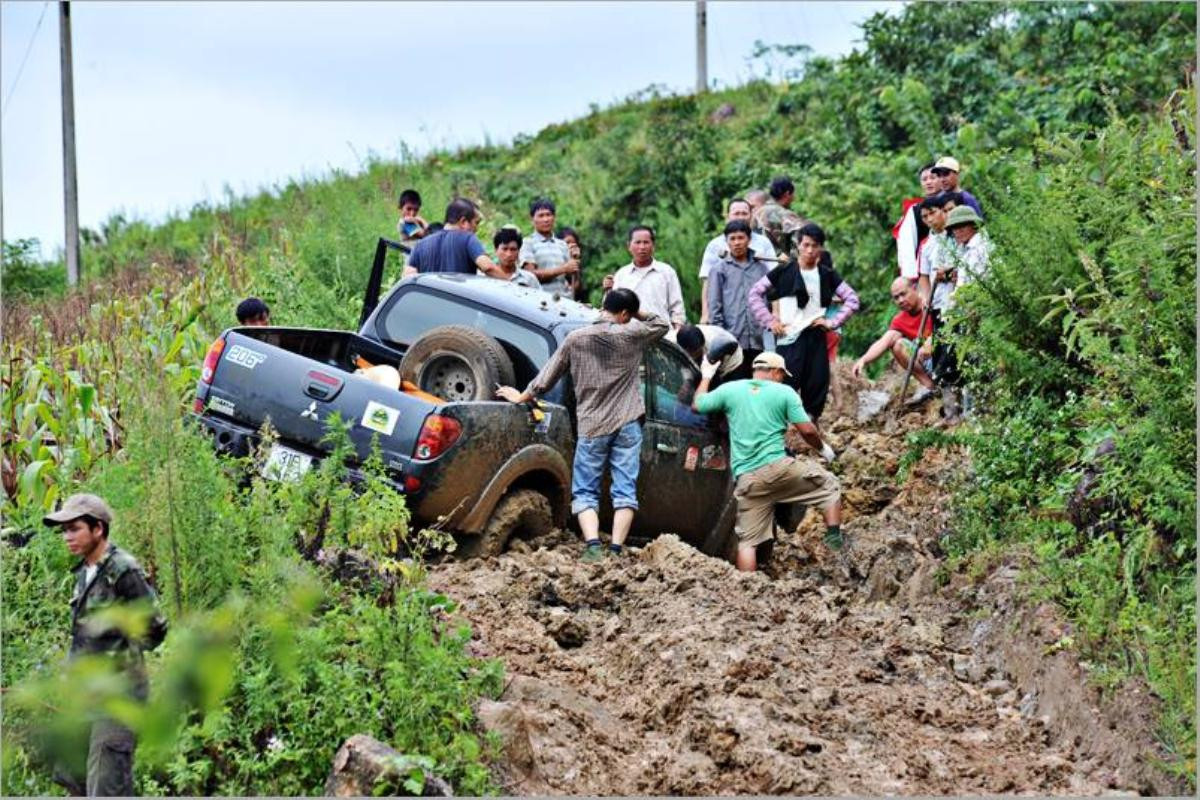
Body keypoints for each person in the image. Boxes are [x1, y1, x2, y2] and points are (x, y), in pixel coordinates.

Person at [496, 288, 667, 561]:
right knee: (625, 489)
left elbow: (545, 378)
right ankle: (616, 548)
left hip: (593, 424)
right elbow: (662, 324)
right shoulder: (633, 335)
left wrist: (522, 396)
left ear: (603, 306)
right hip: (628, 423)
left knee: (586, 489)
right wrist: (637, 312)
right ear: (625, 314)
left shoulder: (576, 339)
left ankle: (593, 547)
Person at [44, 493, 168, 797]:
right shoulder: (85, 572)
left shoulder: (122, 570)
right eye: (65, 530)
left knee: (106, 787)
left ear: (97, 529)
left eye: (74, 529)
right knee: (73, 778)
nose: (67, 537)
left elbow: (155, 628)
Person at [693, 351, 842, 572]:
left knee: (747, 543)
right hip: (778, 468)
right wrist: (824, 449)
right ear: (775, 372)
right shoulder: (784, 392)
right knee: (829, 484)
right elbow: (807, 430)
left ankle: (747, 591)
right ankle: (835, 541)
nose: (783, 379)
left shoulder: (731, 389)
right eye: (782, 375)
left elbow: (698, 404)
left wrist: (706, 375)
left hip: (747, 479)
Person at [748, 223, 859, 423]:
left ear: (821, 248)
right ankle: (782, 433)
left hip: (815, 334)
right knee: (785, 385)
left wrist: (833, 322)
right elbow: (755, 293)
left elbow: (852, 300)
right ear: (798, 245)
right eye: (806, 245)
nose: (809, 250)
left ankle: (810, 430)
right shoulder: (783, 270)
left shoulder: (827, 275)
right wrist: (770, 320)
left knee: (816, 383)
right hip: (788, 336)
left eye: (814, 246)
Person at [851, 277, 937, 405]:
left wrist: (931, 341)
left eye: (903, 294)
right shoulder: (900, 320)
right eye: (896, 298)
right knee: (898, 345)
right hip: (926, 361)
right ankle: (930, 387)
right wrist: (864, 359)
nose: (901, 300)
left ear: (914, 289)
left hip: (944, 356)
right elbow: (884, 341)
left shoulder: (931, 305)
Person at [706, 220, 773, 379]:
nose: (737, 243)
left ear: (749, 240)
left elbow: (768, 302)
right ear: (727, 241)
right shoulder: (719, 270)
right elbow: (714, 306)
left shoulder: (761, 268)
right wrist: (721, 337)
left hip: (758, 339)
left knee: (758, 383)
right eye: (732, 239)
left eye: (740, 238)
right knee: (736, 383)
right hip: (732, 339)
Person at [698, 198, 776, 323]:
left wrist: (776, 313)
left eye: (744, 213)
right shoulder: (714, 245)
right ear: (727, 216)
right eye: (736, 213)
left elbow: (774, 278)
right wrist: (705, 314)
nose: (740, 217)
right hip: (729, 314)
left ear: (751, 215)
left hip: (761, 313)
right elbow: (707, 281)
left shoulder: (763, 243)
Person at [603, 225, 686, 329]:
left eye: (646, 242)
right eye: (637, 242)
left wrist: (677, 332)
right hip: (628, 336)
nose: (642, 247)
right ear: (629, 246)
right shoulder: (621, 275)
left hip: (662, 334)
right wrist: (608, 291)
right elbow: (611, 310)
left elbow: (677, 308)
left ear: (653, 246)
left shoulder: (667, 272)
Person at [404, 198, 507, 278]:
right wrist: (512, 286)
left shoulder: (420, 245)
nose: (476, 229)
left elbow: (408, 276)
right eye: (476, 223)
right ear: (463, 222)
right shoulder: (468, 239)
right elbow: (487, 267)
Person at [519, 199, 579, 295]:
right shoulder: (527, 243)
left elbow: (573, 279)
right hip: (541, 301)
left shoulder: (562, 245)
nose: (546, 219)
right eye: (541, 215)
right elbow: (529, 275)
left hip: (564, 301)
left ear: (554, 217)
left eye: (548, 215)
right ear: (532, 219)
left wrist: (574, 259)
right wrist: (562, 269)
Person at [893, 163, 941, 281]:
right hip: (925, 269)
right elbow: (907, 244)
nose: (928, 182)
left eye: (932, 177)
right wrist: (910, 277)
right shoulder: (915, 210)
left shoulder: (952, 202)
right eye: (924, 179)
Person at [667, 323, 742, 388]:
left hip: (731, 360)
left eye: (697, 352)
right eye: (692, 354)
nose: (695, 356)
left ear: (702, 344)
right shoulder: (670, 340)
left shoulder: (714, 343)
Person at [753, 176, 805, 252]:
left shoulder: (757, 213)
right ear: (787, 194)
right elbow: (801, 240)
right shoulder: (786, 215)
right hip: (779, 260)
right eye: (793, 194)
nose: (794, 197)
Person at [558, 226, 588, 302]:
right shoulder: (556, 262)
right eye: (567, 243)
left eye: (574, 244)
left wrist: (575, 260)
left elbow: (576, 288)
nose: (571, 246)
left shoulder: (577, 261)